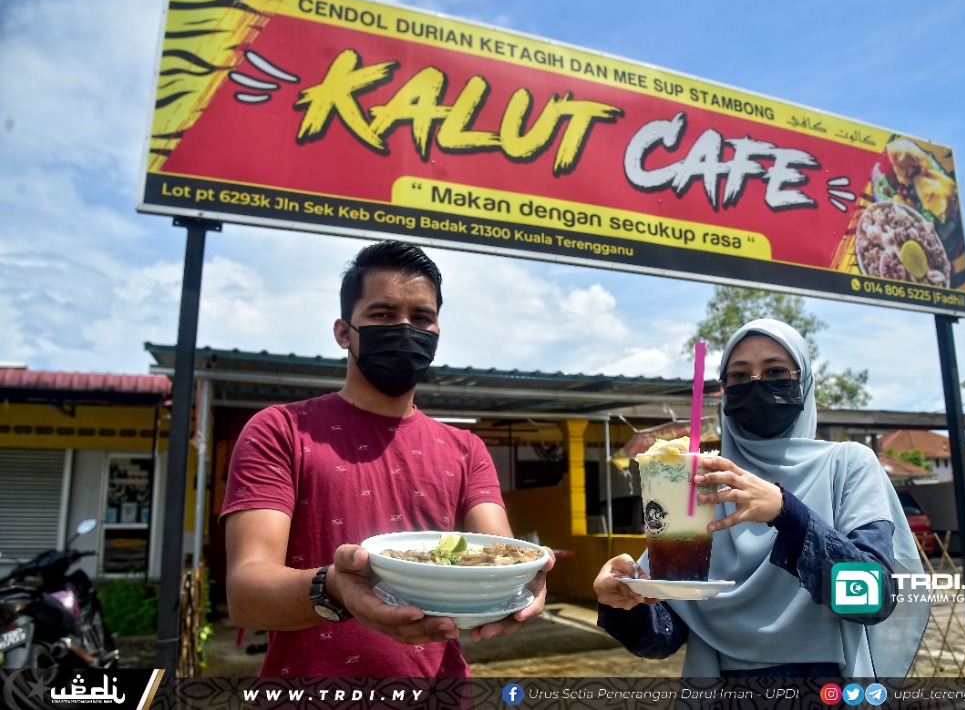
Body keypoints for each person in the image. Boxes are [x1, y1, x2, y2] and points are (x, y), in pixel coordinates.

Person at [221, 240, 554, 677]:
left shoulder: (466, 449)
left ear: (436, 333)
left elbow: (501, 555)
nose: (404, 328)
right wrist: (335, 588)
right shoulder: (280, 430)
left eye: (421, 318)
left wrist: (526, 577)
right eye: (382, 315)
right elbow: (246, 593)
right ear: (344, 332)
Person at [593, 319, 928, 678]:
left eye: (775, 371)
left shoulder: (847, 465)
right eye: (739, 376)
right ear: (724, 390)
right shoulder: (704, 479)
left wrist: (786, 512)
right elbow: (663, 636)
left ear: (804, 382)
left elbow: (874, 599)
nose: (756, 384)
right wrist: (622, 600)